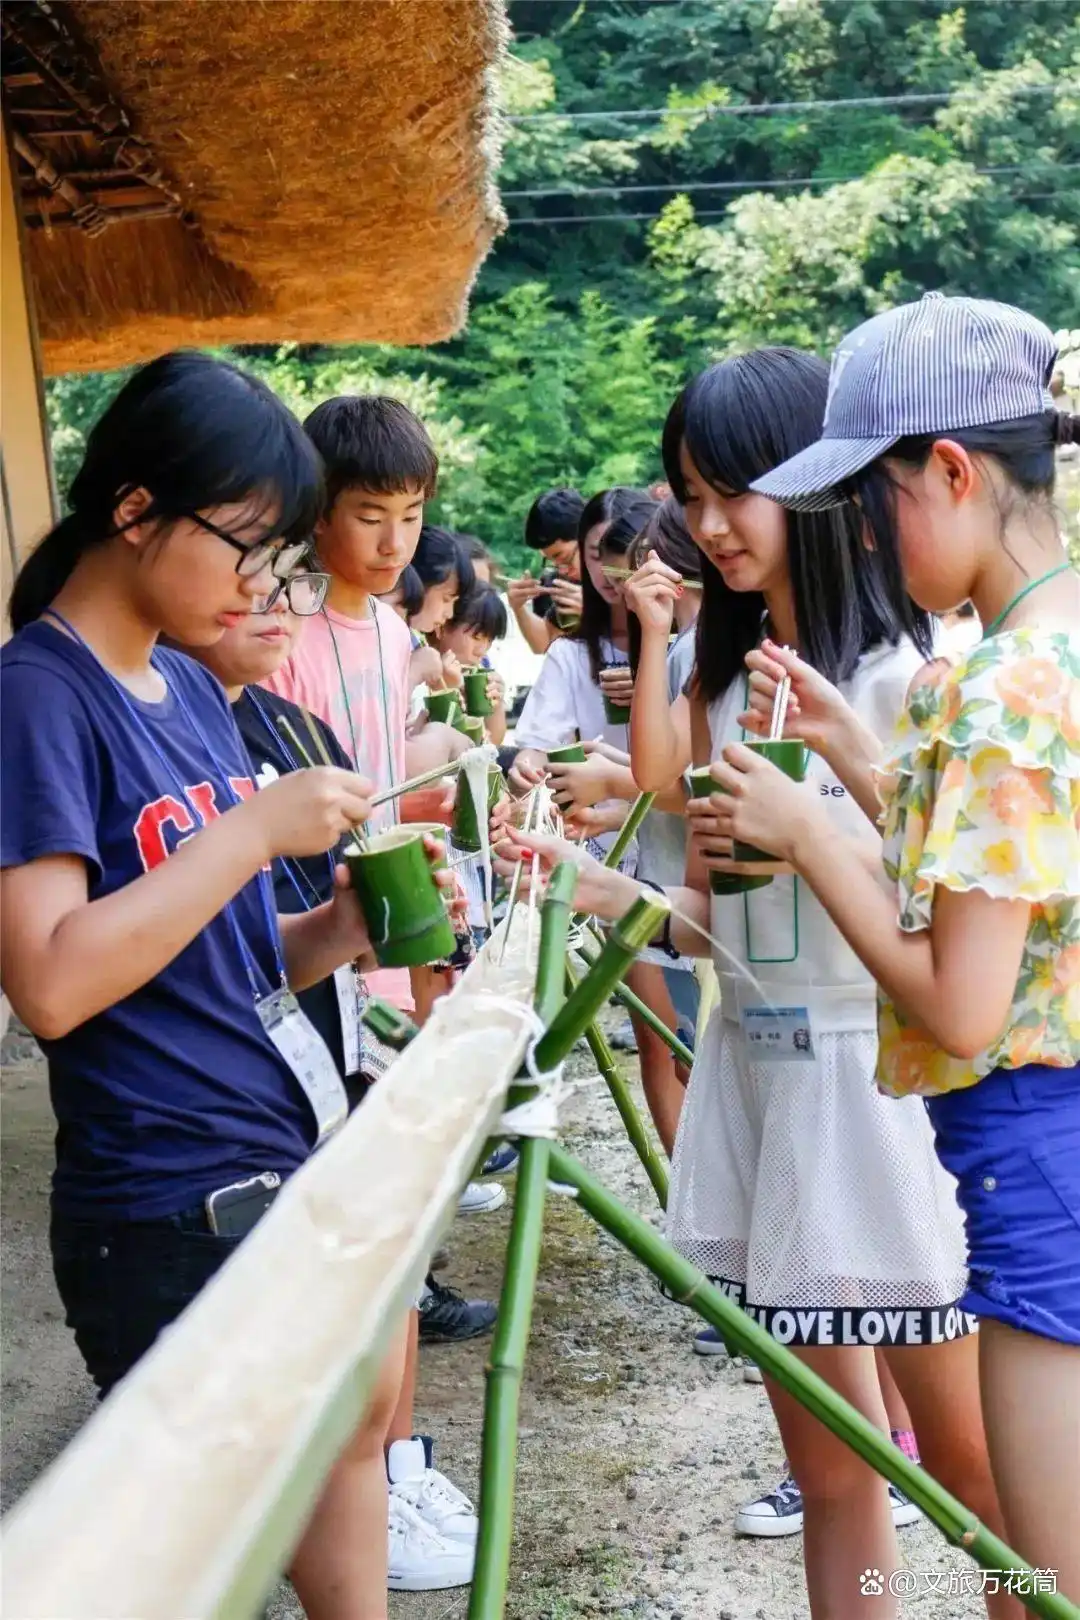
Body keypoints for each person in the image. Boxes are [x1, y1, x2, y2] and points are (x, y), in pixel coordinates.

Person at [498, 349, 1017, 1620]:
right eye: (694, 492)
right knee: (833, 1474)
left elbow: (972, 932)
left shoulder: (907, 685)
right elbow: (711, 921)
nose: (713, 525)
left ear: (831, 487)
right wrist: (595, 885)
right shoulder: (726, 686)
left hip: (885, 1103)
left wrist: (820, 831)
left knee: (975, 1480)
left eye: (740, 491)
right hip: (765, 1083)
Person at [0, 352, 422, 1619]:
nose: (258, 585)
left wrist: (338, 926)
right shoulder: (35, 695)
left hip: (280, 1152)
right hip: (170, 1200)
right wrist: (246, 832)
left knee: (349, 1457)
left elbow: (228, 953)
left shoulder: (185, 682)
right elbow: (52, 982)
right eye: (244, 547)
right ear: (136, 513)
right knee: (205, 1565)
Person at [717, 294, 1080, 1594]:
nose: (858, 540)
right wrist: (855, 758)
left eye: (867, 503)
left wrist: (811, 838)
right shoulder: (1054, 644)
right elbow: (1007, 879)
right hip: (1054, 1143)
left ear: (949, 470)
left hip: (1034, 1153)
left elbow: (967, 1001)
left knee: (1049, 1577)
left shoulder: (1000, 690)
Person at [263, 392, 494, 1587]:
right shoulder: (282, 631)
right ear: (316, 513)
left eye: (412, 516)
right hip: (316, 938)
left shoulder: (397, 636)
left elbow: (394, 768)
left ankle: (395, 1464)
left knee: (402, 1213)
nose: (396, 541)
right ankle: (367, 1472)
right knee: (360, 1221)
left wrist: (448, 780)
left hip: (391, 937)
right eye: (370, 515)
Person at [511, 488, 691, 1158]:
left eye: (629, 558)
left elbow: (678, 774)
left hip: (689, 863)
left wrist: (656, 656)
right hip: (613, 868)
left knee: (704, 1046)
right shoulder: (569, 656)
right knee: (665, 1041)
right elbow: (536, 745)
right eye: (600, 560)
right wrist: (530, 765)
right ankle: (689, 1212)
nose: (617, 578)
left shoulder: (692, 646)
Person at [507, 487, 585, 655]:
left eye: (565, 558)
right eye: (552, 562)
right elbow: (545, 644)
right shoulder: (567, 584)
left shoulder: (618, 571)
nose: (562, 570)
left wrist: (594, 610)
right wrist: (519, 608)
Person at [432, 583, 509, 746]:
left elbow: (493, 742)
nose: (482, 650)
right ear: (443, 626)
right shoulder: (419, 666)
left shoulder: (479, 668)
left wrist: (495, 705)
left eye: (489, 640)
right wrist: (445, 689)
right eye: (477, 637)